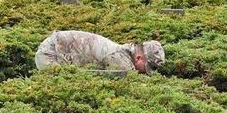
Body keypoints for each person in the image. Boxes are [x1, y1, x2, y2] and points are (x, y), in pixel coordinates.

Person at [35, 30, 165, 74]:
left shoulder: (124, 53)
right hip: (51, 54)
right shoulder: (120, 62)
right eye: (147, 67)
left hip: (56, 48)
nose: (145, 72)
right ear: (138, 58)